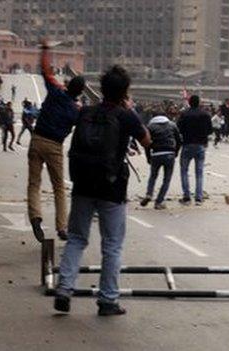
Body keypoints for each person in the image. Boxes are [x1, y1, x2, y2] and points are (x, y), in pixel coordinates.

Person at [54, 65, 151, 316]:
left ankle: (64, 289)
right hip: (112, 188)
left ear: (102, 88)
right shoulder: (125, 116)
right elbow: (147, 140)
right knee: (112, 245)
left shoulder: (86, 111)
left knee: (76, 238)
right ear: (124, 92)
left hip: (83, 183)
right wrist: (129, 111)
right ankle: (108, 300)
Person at [27, 39, 86, 243]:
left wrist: (45, 49)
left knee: (34, 183)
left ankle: (35, 217)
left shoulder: (55, 91)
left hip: (37, 139)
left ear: (68, 84)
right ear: (80, 93)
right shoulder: (76, 110)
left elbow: (45, 71)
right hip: (55, 146)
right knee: (58, 187)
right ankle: (61, 227)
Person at [141, 113, 181, 210]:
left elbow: (147, 143)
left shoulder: (150, 126)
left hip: (156, 154)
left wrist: (148, 157)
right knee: (166, 179)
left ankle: (149, 194)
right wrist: (175, 152)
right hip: (169, 153)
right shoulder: (172, 125)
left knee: (153, 176)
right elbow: (179, 140)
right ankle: (159, 201)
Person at [177, 95, 213, 205]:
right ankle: (198, 197)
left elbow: (179, 128)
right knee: (199, 172)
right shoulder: (205, 114)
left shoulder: (184, 114)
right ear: (199, 103)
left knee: (184, 171)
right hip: (200, 145)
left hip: (187, 144)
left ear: (189, 102)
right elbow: (210, 130)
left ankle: (187, 196)